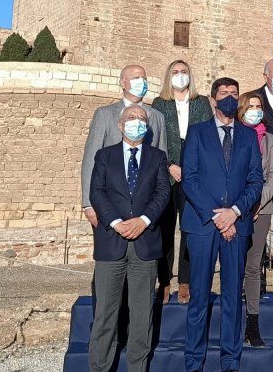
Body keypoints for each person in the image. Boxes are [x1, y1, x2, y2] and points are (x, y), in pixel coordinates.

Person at [180, 78, 265, 372]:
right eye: (224, 94)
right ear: (214, 100)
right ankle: (194, 362)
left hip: (237, 226)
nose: (230, 98)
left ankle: (230, 361)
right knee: (199, 296)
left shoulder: (249, 136)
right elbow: (189, 179)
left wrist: (236, 211)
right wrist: (219, 216)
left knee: (232, 296)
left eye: (234, 94)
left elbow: (256, 179)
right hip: (204, 225)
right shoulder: (197, 133)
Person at [87, 105, 172, 372]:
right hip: (112, 242)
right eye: (132, 118)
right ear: (120, 125)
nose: (138, 122)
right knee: (105, 316)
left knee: (141, 315)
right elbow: (97, 192)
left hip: (144, 244)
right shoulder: (104, 156)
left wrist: (143, 221)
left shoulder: (158, 157)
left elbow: (163, 193)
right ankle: (100, 367)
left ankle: (137, 367)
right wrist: (116, 223)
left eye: (142, 119)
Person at [150, 59, 214, 304]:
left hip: (194, 173)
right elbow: (154, 139)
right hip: (166, 172)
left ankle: (185, 282)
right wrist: (169, 165)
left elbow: (207, 139)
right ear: (169, 76)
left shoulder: (201, 103)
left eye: (184, 72)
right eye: (175, 72)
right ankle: (164, 282)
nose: (180, 76)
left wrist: (190, 169)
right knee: (165, 229)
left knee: (190, 229)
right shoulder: (159, 104)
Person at [81, 64, 167, 228]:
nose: (141, 81)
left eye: (144, 78)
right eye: (136, 77)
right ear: (122, 82)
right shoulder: (105, 114)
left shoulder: (157, 117)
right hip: (109, 203)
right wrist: (88, 203)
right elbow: (90, 158)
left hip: (146, 206)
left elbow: (161, 156)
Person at [238, 91, 273, 347]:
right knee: (233, 264)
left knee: (253, 265)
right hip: (233, 208)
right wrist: (240, 205)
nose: (255, 109)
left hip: (260, 209)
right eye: (250, 106)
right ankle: (232, 318)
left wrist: (256, 202)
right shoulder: (231, 134)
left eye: (259, 106)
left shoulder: (270, 140)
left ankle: (252, 323)